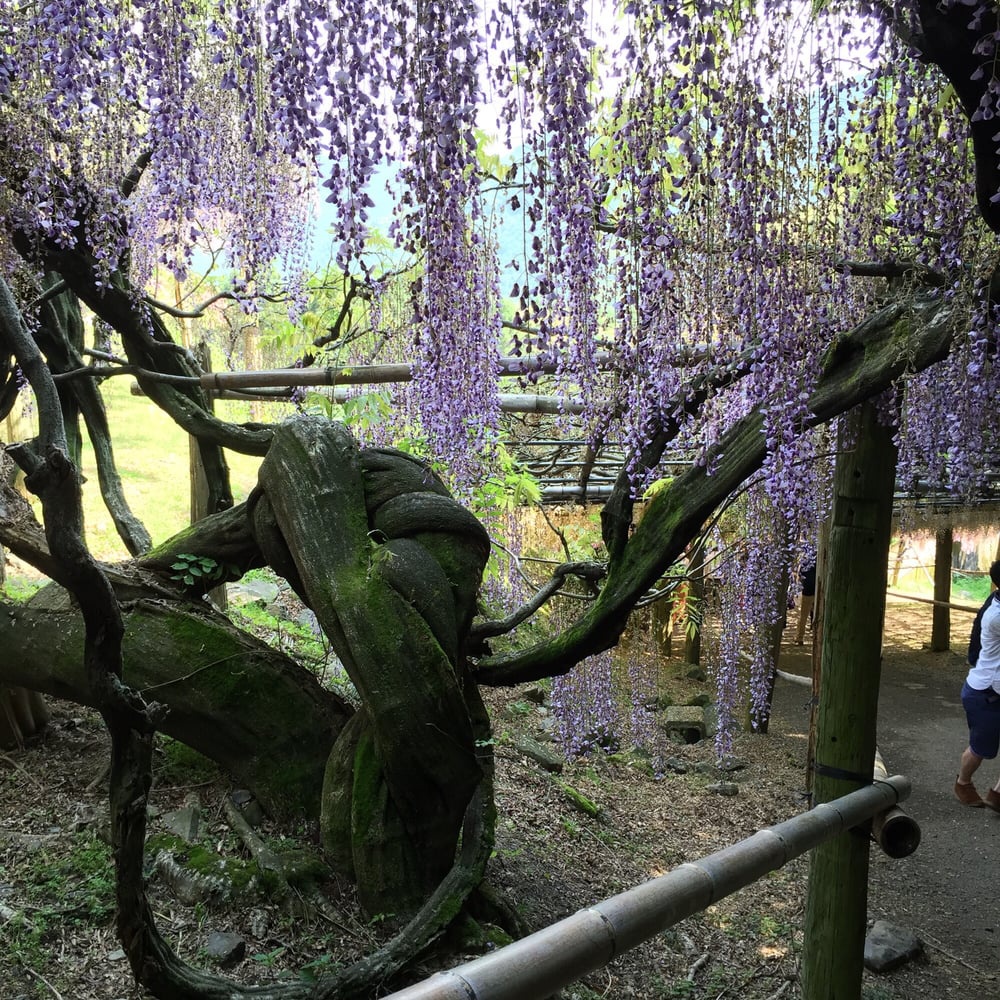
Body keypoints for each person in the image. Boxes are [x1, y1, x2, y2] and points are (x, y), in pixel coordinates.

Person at [955, 560, 1000, 809]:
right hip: (985, 694)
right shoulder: (996, 616)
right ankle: (963, 783)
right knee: (979, 749)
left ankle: (997, 794)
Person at [795, 560, 816, 645]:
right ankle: (817, 635)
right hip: (818, 590)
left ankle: (799, 638)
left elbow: (799, 577)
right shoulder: (820, 560)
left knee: (803, 616)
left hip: (807, 592)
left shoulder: (804, 562)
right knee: (819, 615)